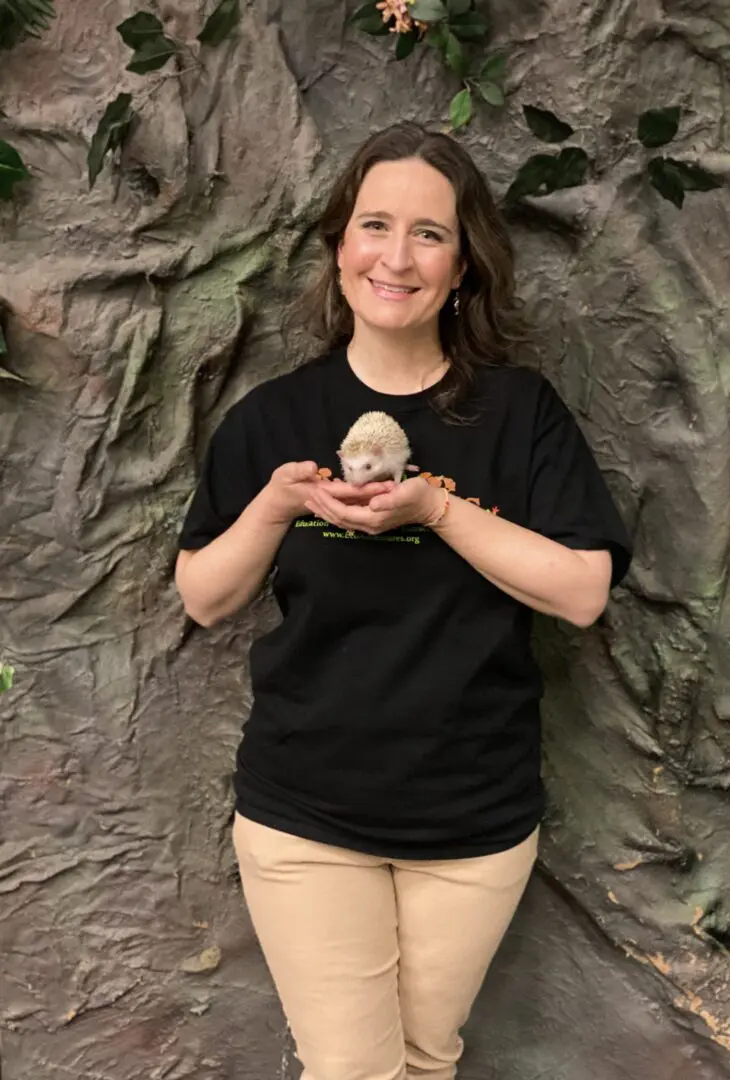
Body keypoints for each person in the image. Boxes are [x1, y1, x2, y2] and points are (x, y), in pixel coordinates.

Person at [174, 121, 632, 1080]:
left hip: (474, 825)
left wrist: (435, 508)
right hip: (306, 815)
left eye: (430, 233)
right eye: (374, 225)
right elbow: (205, 597)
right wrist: (275, 502)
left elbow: (584, 592)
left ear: (463, 265)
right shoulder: (276, 419)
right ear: (340, 245)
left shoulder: (521, 413)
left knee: (425, 1060)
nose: (396, 255)